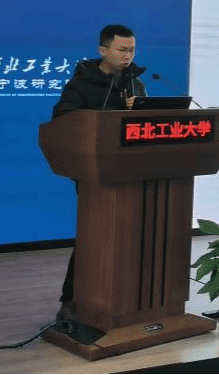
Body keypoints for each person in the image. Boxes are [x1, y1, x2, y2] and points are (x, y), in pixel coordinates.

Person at [50, 23, 147, 324]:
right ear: (103, 50)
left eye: (132, 50)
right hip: (95, 175)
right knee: (93, 237)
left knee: (131, 238)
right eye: (122, 50)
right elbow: (62, 123)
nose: (128, 56)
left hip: (134, 172)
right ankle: (72, 300)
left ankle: (125, 299)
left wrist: (140, 111)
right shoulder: (81, 85)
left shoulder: (137, 85)